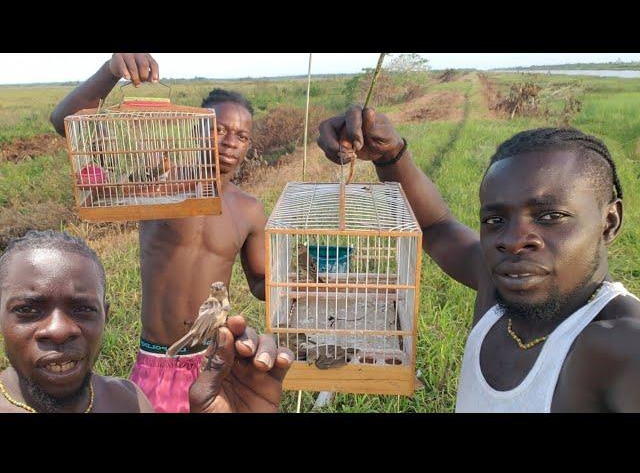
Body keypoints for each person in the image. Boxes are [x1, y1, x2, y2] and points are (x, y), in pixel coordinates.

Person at [317, 106, 640, 412]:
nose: (513, 242)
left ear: (609, 222)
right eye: (495, 220)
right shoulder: (495, 287)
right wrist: (390, 155)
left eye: (551, 216)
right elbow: (436, 226)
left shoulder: (621, 343)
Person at [50, 53, 270, 412]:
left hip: (213, 362)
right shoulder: (160, 184)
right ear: (196, 128)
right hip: (156, 360)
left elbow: (261, 284)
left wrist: (303, 280)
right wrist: (110, 70)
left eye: (241, 135)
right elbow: (65, 122)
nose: (231, 141)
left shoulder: (249, 209)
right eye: (219, 129)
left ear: (248, 145)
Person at [0, 230, 292, 413]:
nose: (59, 329)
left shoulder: (130, 401)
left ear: (105, 316)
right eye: (28, 310)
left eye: (81, 309)